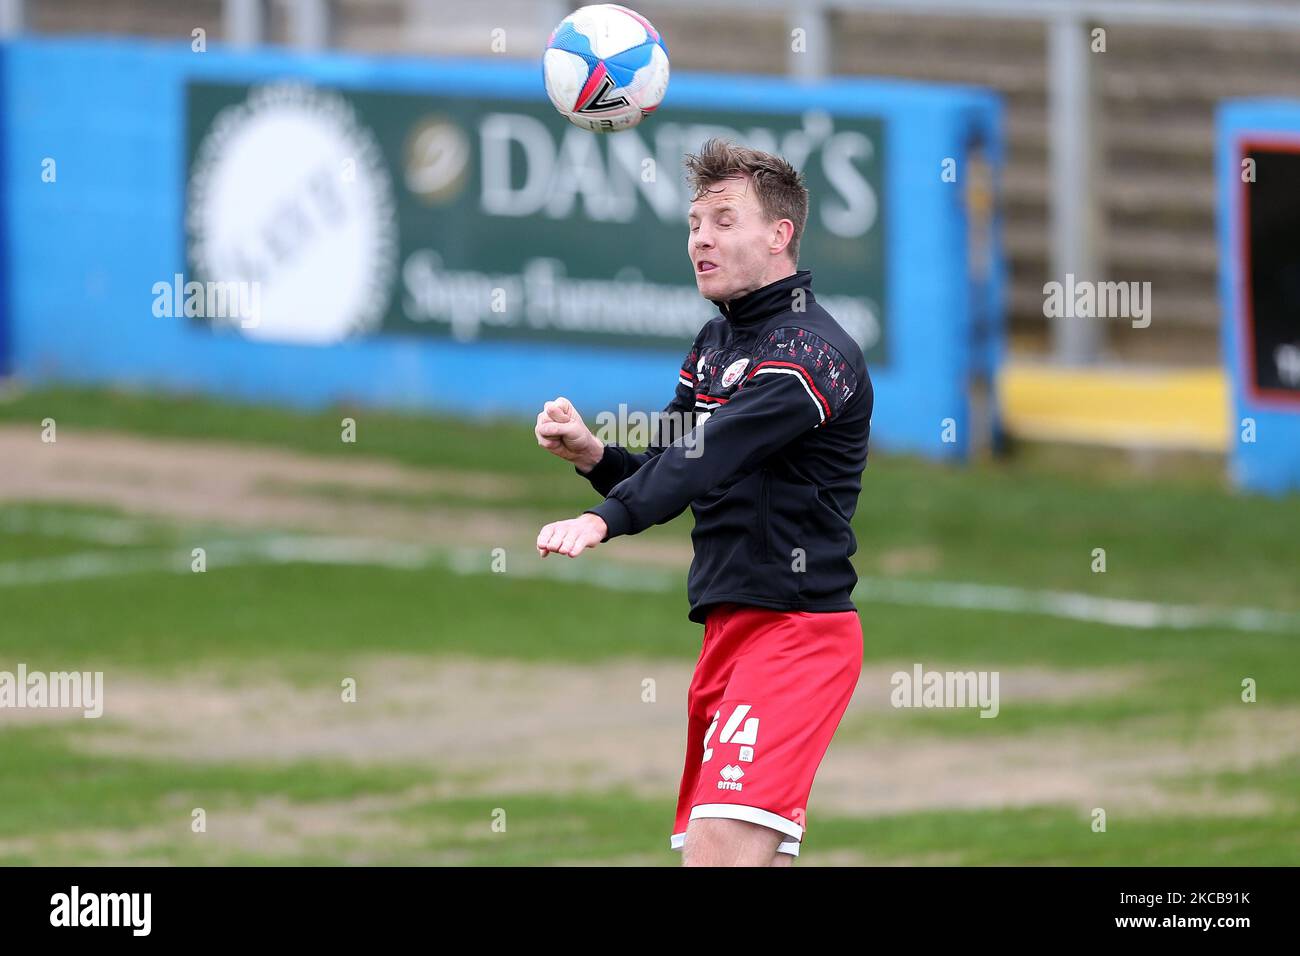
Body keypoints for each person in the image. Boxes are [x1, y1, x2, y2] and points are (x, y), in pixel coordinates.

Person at [534, 139, 872, 866]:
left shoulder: (813, 352)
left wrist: (604, 518)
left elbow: (710, 452)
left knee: (715, 855)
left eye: (723, 220)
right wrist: (597, 459)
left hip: (795, 634)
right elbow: (670, 460)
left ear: (779, 235)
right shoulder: (718, 341)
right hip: (730, 632)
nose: (701, 239)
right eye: (693, 223)